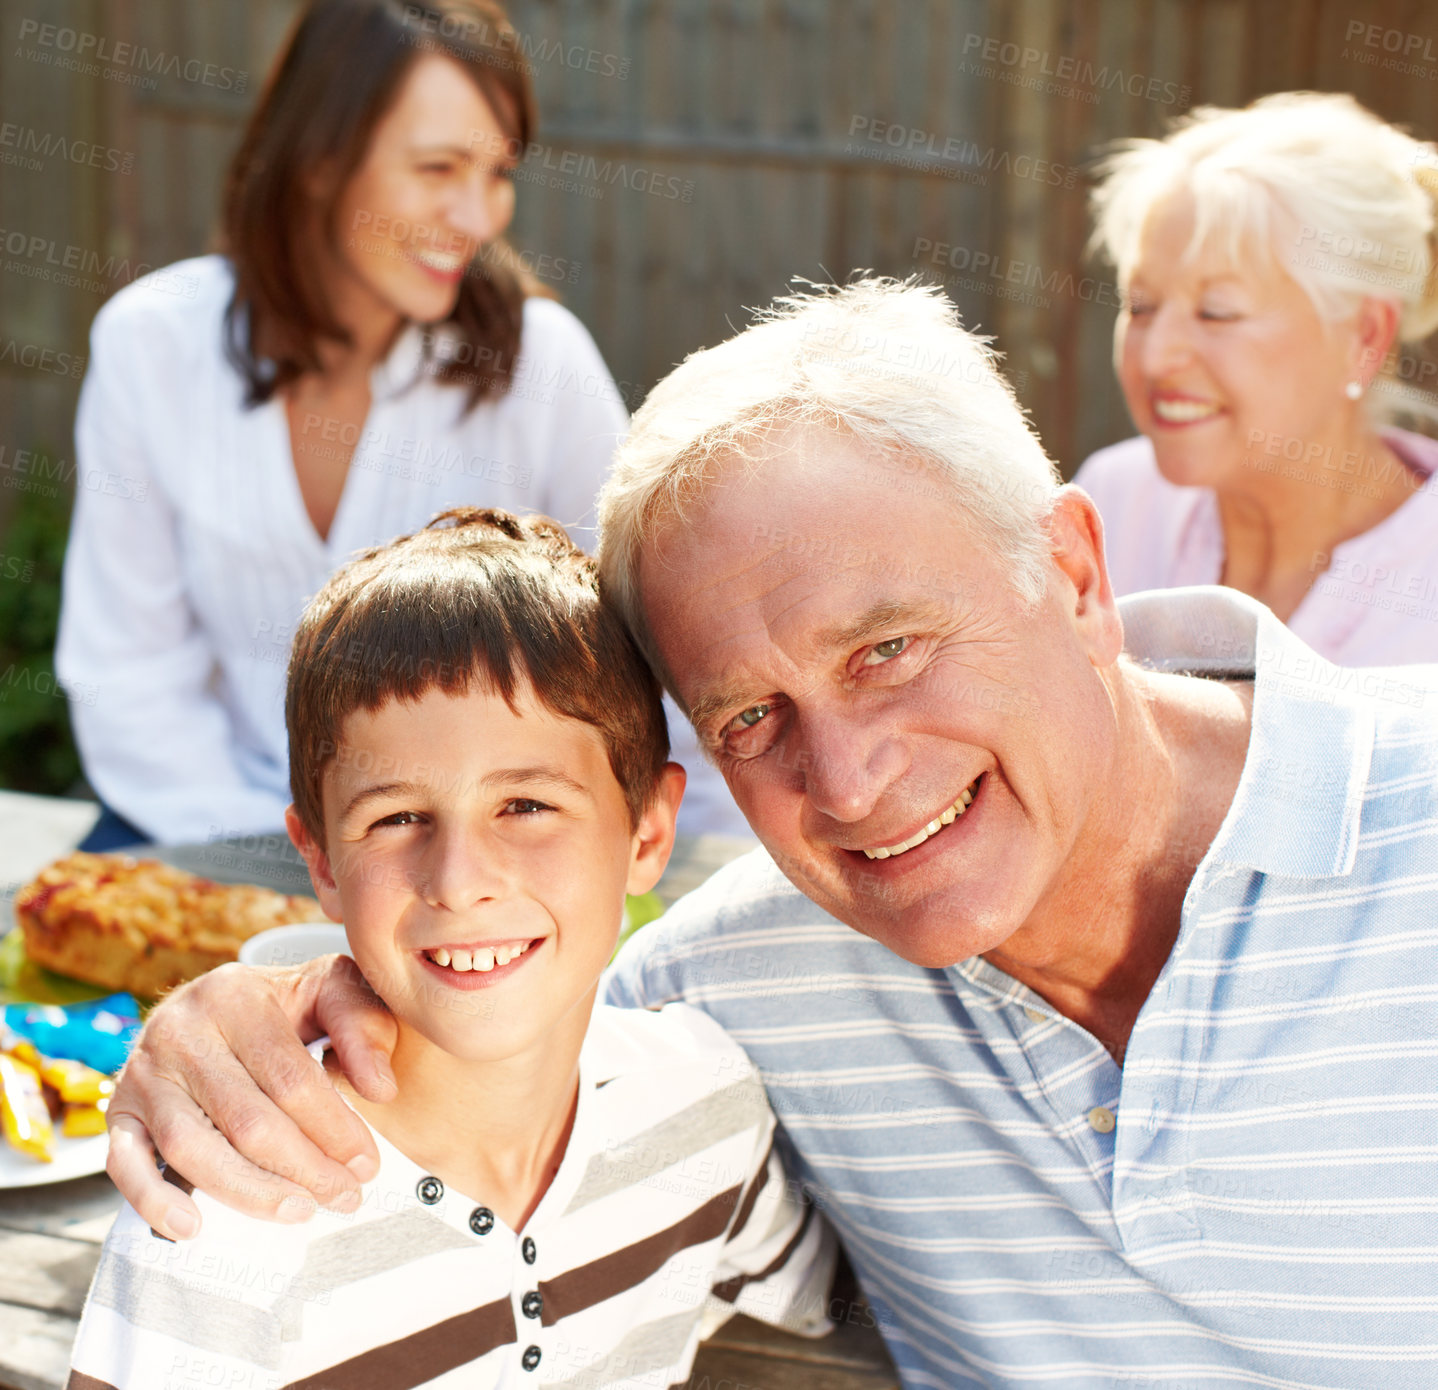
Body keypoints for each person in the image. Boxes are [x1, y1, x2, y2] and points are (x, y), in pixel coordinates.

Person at [104, 280, 1438, 1389]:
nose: (848, 782)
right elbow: (479, 984)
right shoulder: (744, 979)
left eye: (890, 648)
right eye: (747, 717)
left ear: (1075, 574)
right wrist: (242, 1014)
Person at [68, 508, 833, 1389]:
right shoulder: (226, 1217)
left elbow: (853, 1293)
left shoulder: (705, 1109)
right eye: (396, 819)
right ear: (319, 857)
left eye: (527, 805)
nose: (460, 880)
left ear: (649, 832)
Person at [55, 0, 743, 853]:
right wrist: (279, 870)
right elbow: (129, 670)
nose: (481, 215)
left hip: (467, 858)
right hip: (194, 823)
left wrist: (697, 883)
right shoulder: (150, 344)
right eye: (439, 168)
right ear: (317, 160)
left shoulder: (541, 369)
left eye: (497, 172)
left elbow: (664, 659)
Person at [1075, 91, 1438, 664]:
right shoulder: (1112, 502)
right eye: (1140, 307)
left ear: (1364, 336)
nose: (1156, 357)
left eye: (1217, 312)